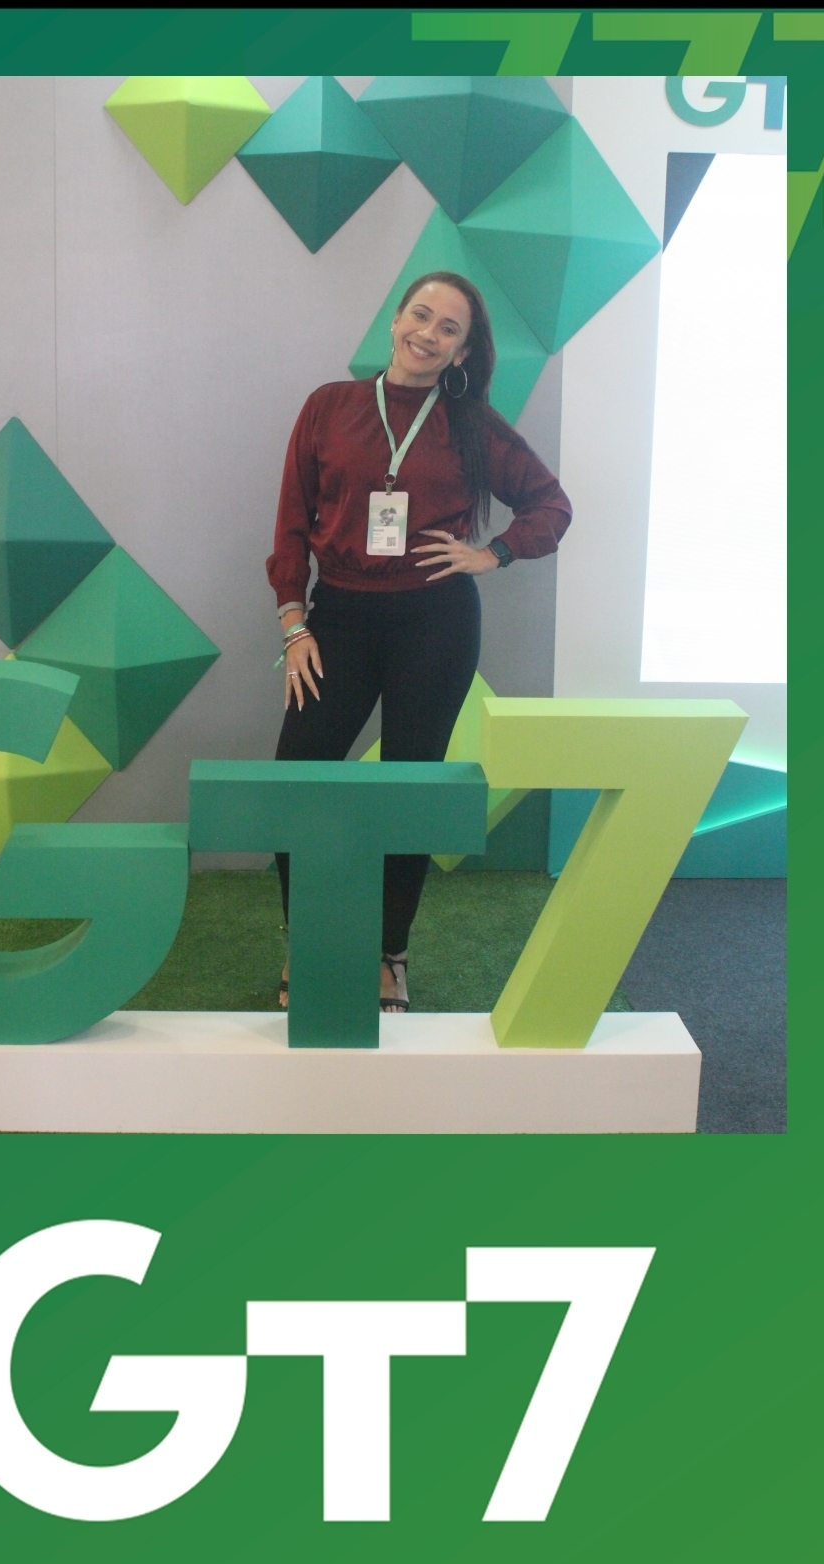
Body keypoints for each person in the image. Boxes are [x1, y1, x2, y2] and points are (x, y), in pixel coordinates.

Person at [267, 271, 572, 1013]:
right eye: (421, 315)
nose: (428, 334)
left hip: (435, 623)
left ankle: (388, 953)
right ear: (396, 319)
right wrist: (294, 621)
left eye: (448, 329)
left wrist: (493, 552)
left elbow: (550, 506)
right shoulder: (329, 406)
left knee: (409, 791)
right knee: (295, 784)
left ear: (463, 351)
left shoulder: (473, 424)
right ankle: (312, 939)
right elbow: (292, 523)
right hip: (338, 618)